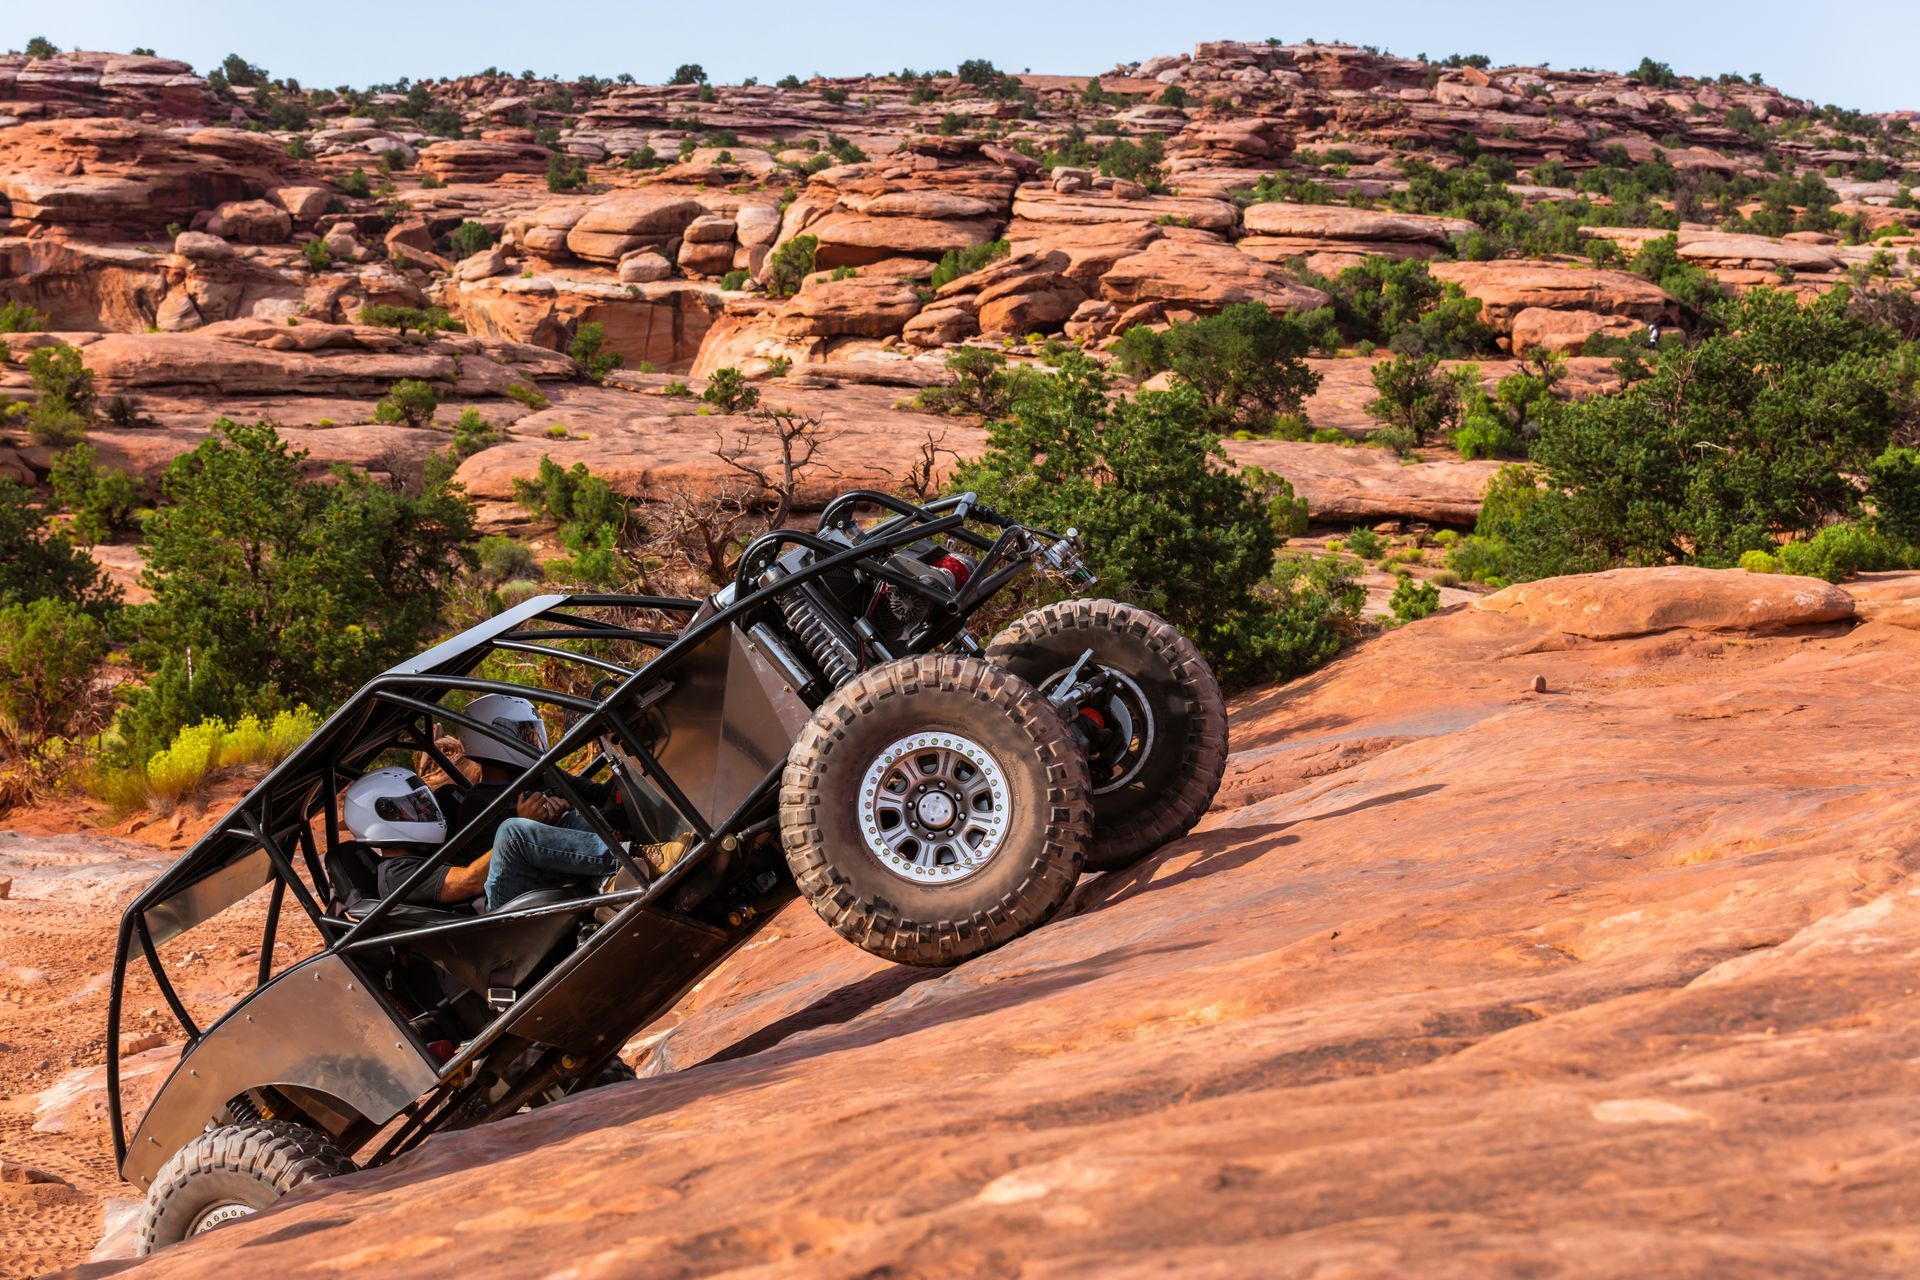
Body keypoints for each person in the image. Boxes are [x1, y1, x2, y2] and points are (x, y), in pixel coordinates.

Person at [440, 693, 625, 911]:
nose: (532, 740)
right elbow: (503, 866)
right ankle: (628, 860)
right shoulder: (477, 806)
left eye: (533, 732)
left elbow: (602, 794)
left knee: (576, 817)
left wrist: (627, 759)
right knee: (530, 828)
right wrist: (535, 823)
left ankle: (626, 863)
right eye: (524, 734)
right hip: (523, 891)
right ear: (491, 738)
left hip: (578, 873)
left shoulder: (544, 774)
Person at [342, 767, 490, 907]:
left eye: (421, 800)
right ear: (388, 816)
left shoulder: (420, 851)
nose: (425, 809)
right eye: (412, 805)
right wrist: (508, 837)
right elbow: (471, 881)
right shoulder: (396, 875)